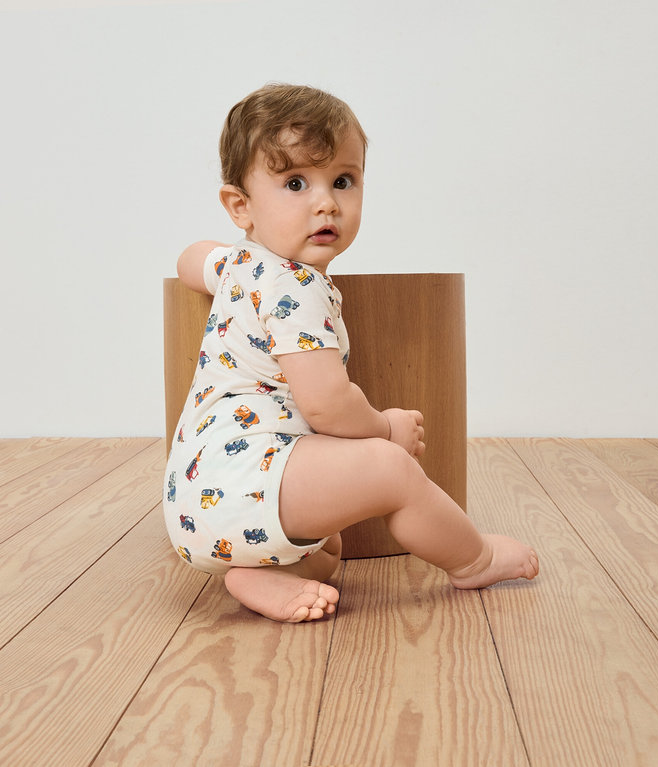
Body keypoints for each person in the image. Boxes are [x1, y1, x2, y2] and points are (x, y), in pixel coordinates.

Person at [163, 83, 539, 623]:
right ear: (239, 205)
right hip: (246, 481)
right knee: (390, 470)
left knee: (328, 547)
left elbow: (188, 259)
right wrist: (386, 430)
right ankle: (473, 559)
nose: (326, 202)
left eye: (343, 180)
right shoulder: (295, 289)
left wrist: (231, 243)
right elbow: (327, 405)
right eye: (295, 183)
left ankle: (263, 572)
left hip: (199, 497)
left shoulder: (240, 266)